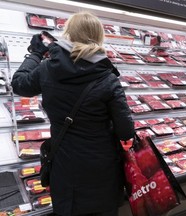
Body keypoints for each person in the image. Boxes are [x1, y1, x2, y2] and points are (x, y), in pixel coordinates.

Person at [11, 11, 135, 216]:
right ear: (98, 37)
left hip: (65, 162)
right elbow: (126, 130)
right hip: (101, 165)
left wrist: (35, 53)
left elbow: (19, 84)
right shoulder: (107, 76)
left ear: (68, 33)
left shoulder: (47, 68)